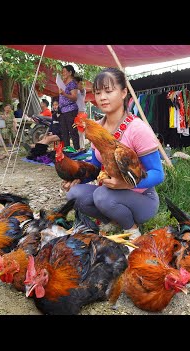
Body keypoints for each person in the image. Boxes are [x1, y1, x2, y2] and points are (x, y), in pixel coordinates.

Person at [62, 67, 165, 240]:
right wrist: (78, 178)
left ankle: (132, 230)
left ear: (124, 92)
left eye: (109, 91)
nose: (102, 97)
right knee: (74, 195)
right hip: (111, 193)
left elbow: (158, 174)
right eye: (97, 92)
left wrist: (126, 185)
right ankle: (112, 220)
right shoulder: (97, 128)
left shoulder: (137, 129)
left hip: (142, 199)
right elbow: (95, 167)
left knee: (101, 195)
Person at [58, 65, 80, 150]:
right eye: (62, 72)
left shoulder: (72, 83)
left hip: (70, 109)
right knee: (64, 131)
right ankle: (67, 149)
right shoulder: (63, 83)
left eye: (64, 71)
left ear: (70, 72)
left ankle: (77, 149)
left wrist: (64, 94)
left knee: (73, 131)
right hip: (63, 110)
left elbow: (74, 97)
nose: (63, 73)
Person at [74, 75, 87, 150]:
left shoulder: (82, 90)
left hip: (81, 113)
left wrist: (79, 83)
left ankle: (82, 147)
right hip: (73, 112)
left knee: (80, 131)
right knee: (75, 131)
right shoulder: (72, 91)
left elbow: (81, 88)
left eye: (75, 82)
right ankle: (77, 147)